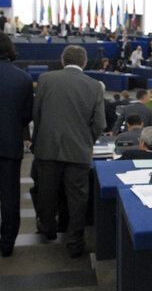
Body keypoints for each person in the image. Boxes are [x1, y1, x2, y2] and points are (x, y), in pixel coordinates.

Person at [33, 45, 106, 257]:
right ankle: (75, 242)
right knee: (77, 199)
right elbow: (100, 124)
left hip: (47, 149)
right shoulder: (94, 86)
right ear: (84, 63)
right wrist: (87, 140)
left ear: (63, 61)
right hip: (79, 152)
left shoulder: (46, 79)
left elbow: (36, 114)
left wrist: (38, 140)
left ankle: (48, 230)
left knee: (47, 193)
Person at [0, 33, 33, 257]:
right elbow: (26, 116)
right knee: (10, 196)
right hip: (10, 146)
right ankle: (7, 244)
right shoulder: (22, 78)